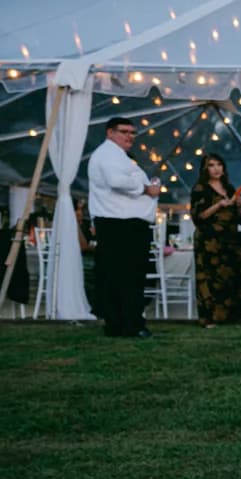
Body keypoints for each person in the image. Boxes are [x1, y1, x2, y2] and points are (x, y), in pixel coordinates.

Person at [85, 115, 162, 339]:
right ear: (110, 133)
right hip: (121, 224)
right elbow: (117, 182)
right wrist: (146, 188)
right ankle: (130, 324)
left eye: (132, 133)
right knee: (129, 276)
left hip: (123, 223)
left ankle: (119, 322)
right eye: (124, 132)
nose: (130, 136)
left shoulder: (116, 155)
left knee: (121, 276)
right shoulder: (108, 154)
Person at [190, 153, 241, 325]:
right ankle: (209, 318)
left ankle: (230, 316)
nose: (216, 168)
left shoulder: (230, 188)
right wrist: (218, 205)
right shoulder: (200, 188)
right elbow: (198, 216)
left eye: (219, 164)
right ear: (205, 168)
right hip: (209, 239)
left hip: (230, 237)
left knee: (230, 276)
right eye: (211, 165)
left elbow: (239, 219)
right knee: (209, 278)